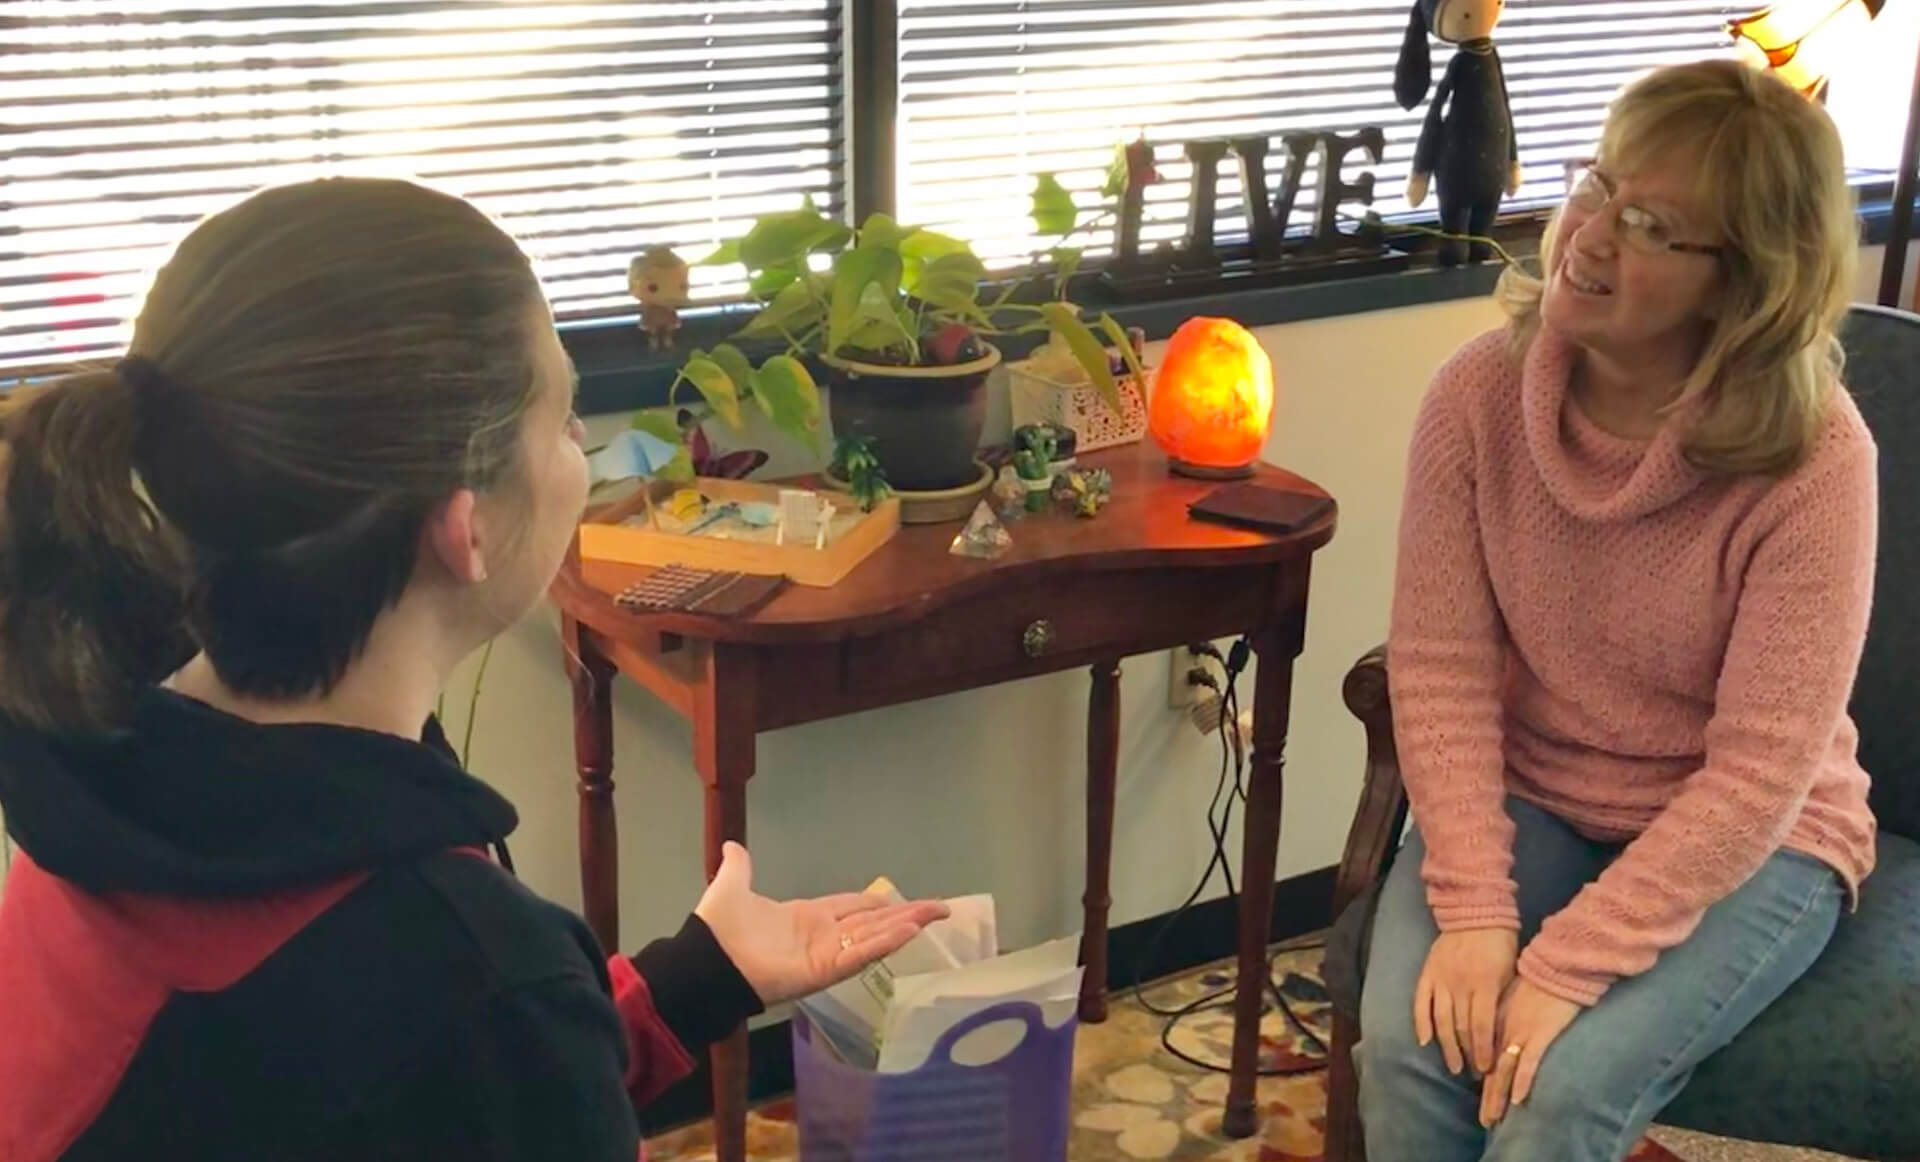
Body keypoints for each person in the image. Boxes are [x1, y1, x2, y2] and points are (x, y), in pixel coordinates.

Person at [0, 178, 947, 1162]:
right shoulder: (465, 978)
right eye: (565, 418)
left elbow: (410, 1094)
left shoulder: (106, 779)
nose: (579, 447)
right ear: (469, 528)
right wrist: (538, 1014)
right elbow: (459, 1058)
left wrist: (694, 977)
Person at [1359, 59, 1877, 1162]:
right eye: (1597, 185)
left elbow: (1759, 776)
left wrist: (1563, 966)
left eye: (1648, 225)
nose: (1589, 236)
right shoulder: (1475, 394)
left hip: (1759, 835)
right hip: (1540, 787)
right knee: (1410, 1047)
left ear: (1745, 281)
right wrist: (1477, 911)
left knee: (1557, 1093)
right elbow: (1440, 667)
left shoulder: (1817, 459)